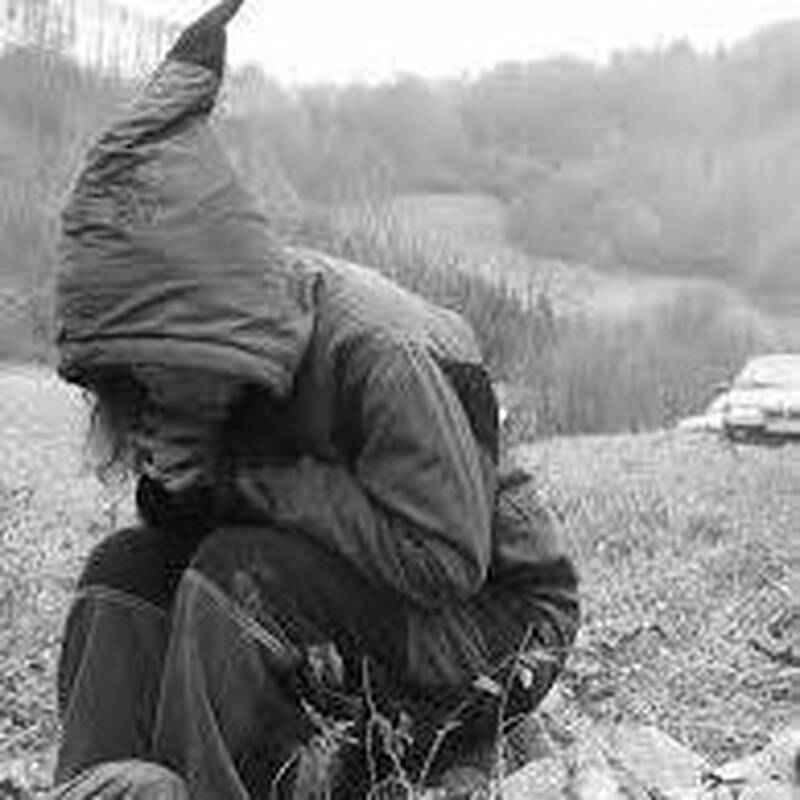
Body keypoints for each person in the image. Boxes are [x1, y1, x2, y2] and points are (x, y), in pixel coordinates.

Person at [50, 1, 580, 797]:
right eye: (131, 375)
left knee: (235, 579)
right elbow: (204, 532)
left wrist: (245, 479)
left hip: (496, 624)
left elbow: (445, 561)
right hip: (339, 601)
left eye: (159, 367)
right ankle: (101, 787)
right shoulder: (210, 366)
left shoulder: (385, 350)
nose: (151, 391)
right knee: (122, 569)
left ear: (208, 324)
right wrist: (184, 486)